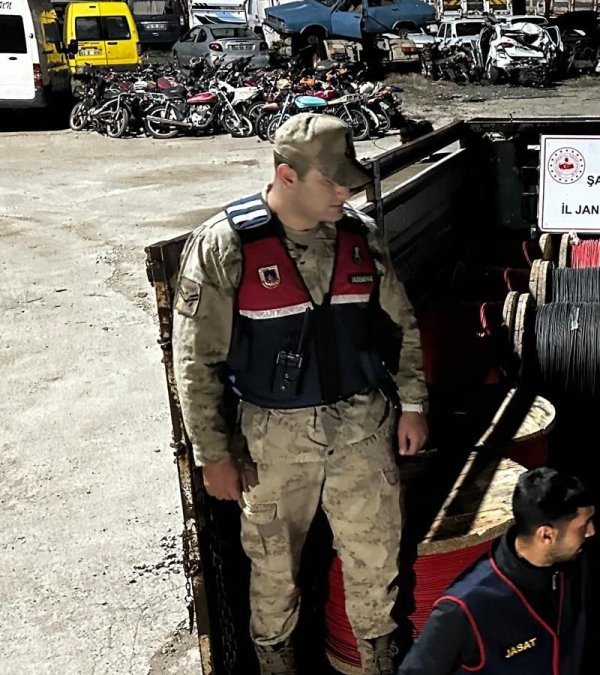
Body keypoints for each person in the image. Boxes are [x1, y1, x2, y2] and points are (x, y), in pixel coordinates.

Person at [171, 113, 429, 675]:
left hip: (362, 428)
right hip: (272, 438)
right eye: (331, 181)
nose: (345, 192)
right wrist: (212, 455)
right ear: (286, 175)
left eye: (348, 181)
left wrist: (413, 404)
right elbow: (195, 362)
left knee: (376, 558)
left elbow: (400, 325)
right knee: (272, 568)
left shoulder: (361, 236)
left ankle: (378, 659)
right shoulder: (226, 245)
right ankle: (276, 662)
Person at [397, 466, 600, 674]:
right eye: (583, 525)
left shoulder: (575, 557)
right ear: (546, 535)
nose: (592, 532)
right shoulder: (464, 609)